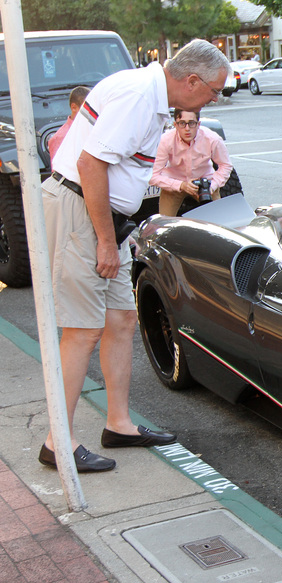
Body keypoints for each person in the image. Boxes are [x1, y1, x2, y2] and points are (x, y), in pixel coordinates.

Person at [39, 39, 228, 472]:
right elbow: (90, 165)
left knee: (120, 320)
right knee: (83, 330)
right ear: (191, 80)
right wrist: (106, 241)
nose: (216, 98)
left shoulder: (150, 95)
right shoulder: (141, 97)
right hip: (82, 213)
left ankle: (118, 424)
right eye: (214, 90)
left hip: (101, 217)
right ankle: (57, 442)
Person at [150, 108, 233, 216]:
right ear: (175, 124)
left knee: (220, 220)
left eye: (192, 123)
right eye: (182, 123)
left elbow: (226, 165)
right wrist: (181, 185)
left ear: (198, 124)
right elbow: (153, 175)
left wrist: (213, 185)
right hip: (175, 184)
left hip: (204, 184)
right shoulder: (165, 140)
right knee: (164, 224)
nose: (187, 128)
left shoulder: (212, 139)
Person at [47, 86, 90, 160]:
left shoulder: (93, 128)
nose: (90, 113)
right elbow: (58, 169)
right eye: (86, 109)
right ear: (74, 107)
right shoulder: (60, 137)